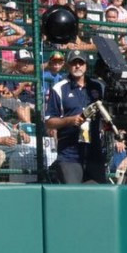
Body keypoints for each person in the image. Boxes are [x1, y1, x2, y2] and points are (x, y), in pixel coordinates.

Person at [44, 49, 108, 184]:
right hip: (69, 155)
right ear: (68, 66)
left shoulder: (98, 87)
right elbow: (49, 122)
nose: (77, 66)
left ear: (86, 66)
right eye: (74, 63)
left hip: (94, 153)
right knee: (74, 196)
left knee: (100, 196)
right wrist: (70, 120)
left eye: (80, 62)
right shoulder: (59, 88)